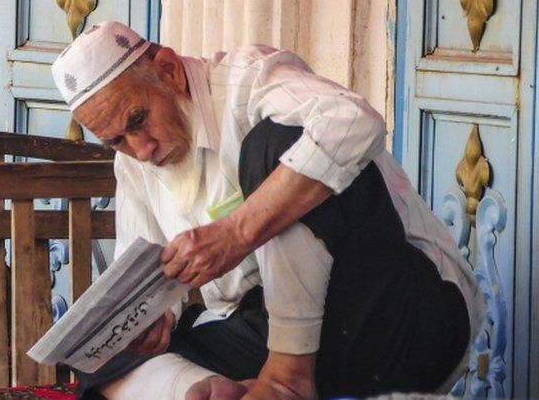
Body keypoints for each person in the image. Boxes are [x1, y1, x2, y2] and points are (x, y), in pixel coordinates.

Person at [50, 21, 483, 399]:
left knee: (277, 145)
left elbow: (356, 122)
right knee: (102, 367)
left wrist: (238, 232)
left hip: (399, 317)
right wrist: (155, 319)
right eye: (117, 141)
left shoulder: (249, 81)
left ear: (169, 71)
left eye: (138, 120)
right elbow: (146, 275)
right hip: (283, 330)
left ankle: (287, 379)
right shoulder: (134, 165)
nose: (139, 149)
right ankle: (209, 391)